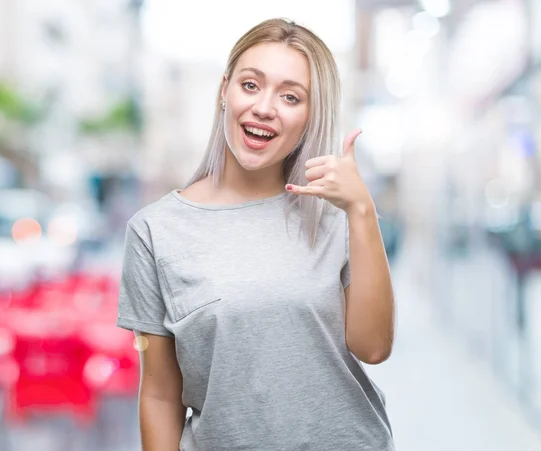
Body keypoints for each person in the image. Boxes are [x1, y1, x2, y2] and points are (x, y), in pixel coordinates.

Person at [117, 18, 396, 451]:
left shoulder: (336, 215)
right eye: (251, 85)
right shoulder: (155, 231)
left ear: (310, 115)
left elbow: (373, 347)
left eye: (290, 96)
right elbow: (159, 394)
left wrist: (362, 210)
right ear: (223, 92)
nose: (265, 107)